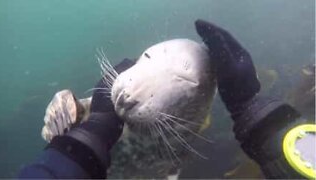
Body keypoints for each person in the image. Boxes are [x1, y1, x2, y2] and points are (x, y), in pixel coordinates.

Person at [19, 20, 315, 179]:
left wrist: (83, 139)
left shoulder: (184, 137)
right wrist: (258, 115)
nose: (128, 92)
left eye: (184, 82)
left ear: (200, 100)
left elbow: (172, 163)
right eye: (146, 57)